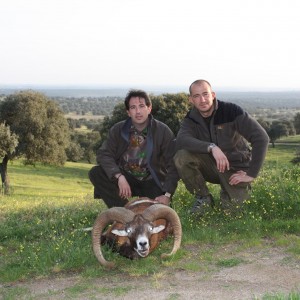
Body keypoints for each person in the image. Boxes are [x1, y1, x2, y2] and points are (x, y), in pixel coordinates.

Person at [174, 79, 269, 216]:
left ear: (213, 95)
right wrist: (211, 147)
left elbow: (261, 138)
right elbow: (182, 140)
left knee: (232, 214)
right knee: (182, 157)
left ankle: (229, 192)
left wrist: (251, 174)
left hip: (235, 168)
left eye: (205, 94)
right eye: (196, 96)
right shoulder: (191, 118)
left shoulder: (231, 111)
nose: (202, 100)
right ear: (191, 100)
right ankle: (204, 198)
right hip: (211, 166)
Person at [89, 89, 179, 208]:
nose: (138, 111)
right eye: (133, 107)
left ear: (149, 108)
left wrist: (167, 195)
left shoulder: (162, 131)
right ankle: (123, 212)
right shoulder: (118, 129)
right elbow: (104, 154)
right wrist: (119, 176)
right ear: (128, 112)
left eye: (141, 106)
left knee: (159, 217)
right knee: (96, 173)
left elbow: (173, 165)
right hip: (126, 178)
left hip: (152, 181)